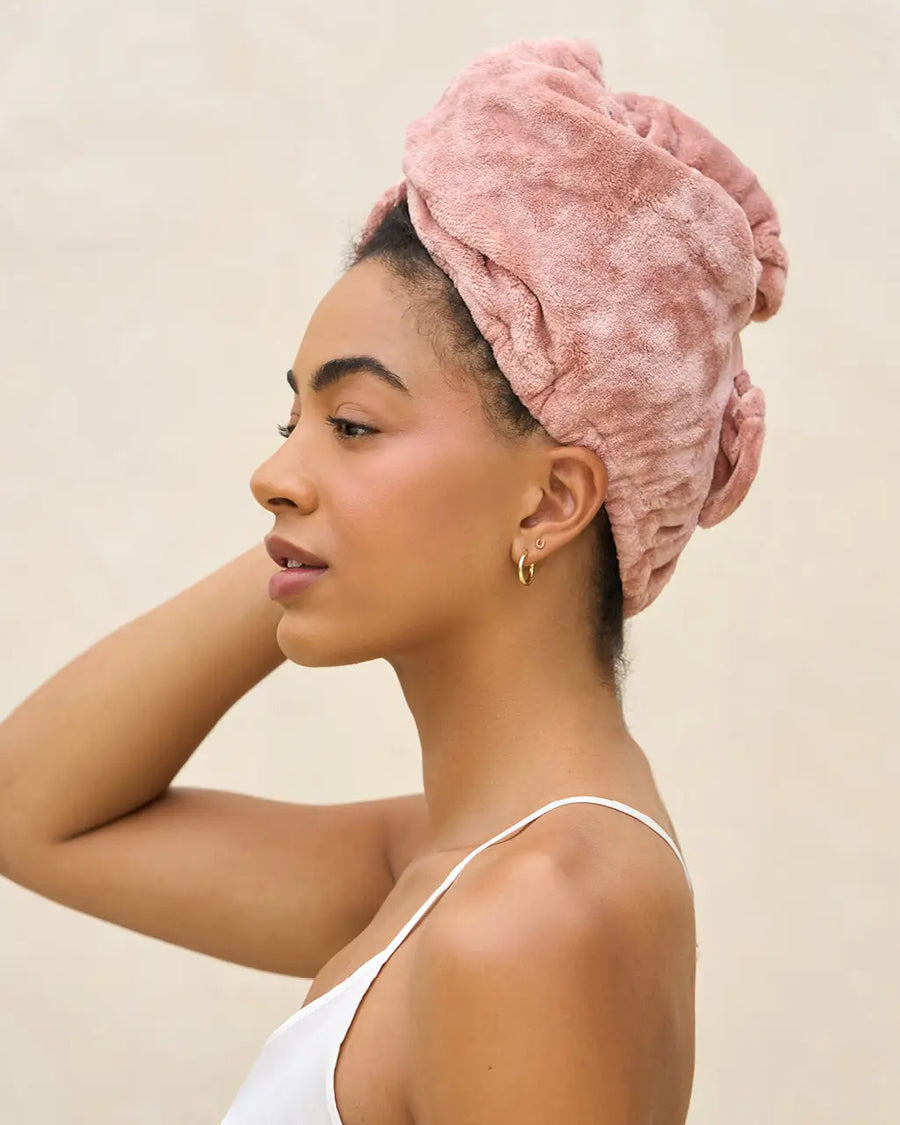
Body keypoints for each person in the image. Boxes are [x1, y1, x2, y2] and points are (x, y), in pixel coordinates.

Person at [0, 37, 787, 1125]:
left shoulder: (530, 918)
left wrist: (324, 520)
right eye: (294, 421)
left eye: (355, 422)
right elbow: (28, 809)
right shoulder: (444, 866)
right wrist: (316, 520)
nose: (272, 474)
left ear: (554, 501)